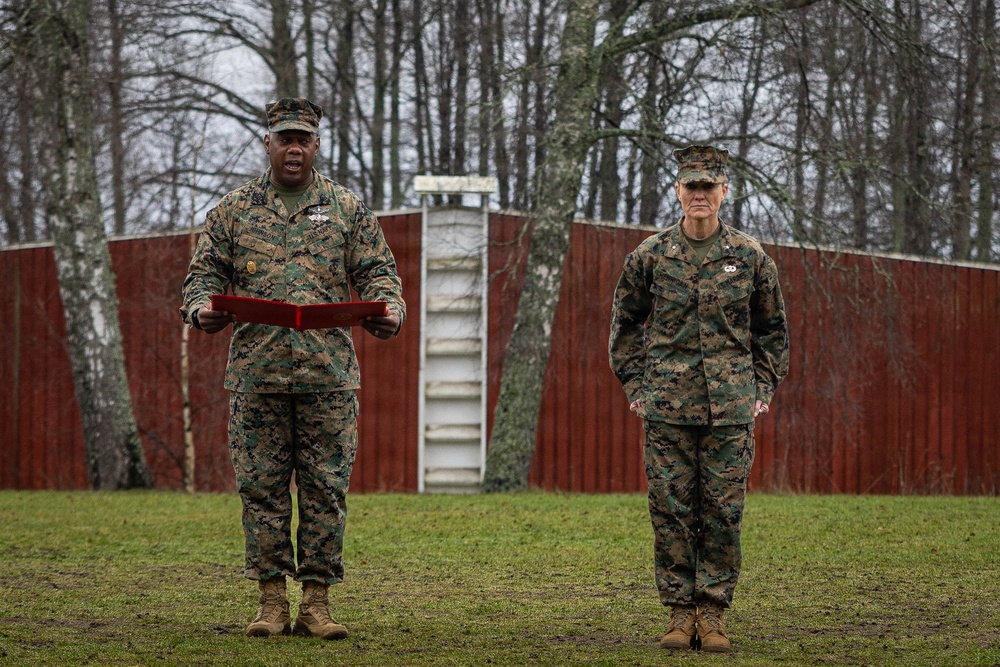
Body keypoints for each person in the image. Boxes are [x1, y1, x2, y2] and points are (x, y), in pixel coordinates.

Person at [180, 97, 405, 640]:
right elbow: (201, 276)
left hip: (327, 378)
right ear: (268, 143)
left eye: (304, 138)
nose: (295, 148)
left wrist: (389, 312)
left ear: (317, 144)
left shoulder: (347, 209)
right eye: (285, 138)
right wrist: (201, 309)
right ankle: (270, 602)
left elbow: (380, 275)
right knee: (262, 490)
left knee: (326, 490)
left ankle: (318, 604)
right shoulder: (233, 211)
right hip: (258, 377)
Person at [608, 145, 788, 653]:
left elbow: (773, 331)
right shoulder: (650, 256)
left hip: (730, 409)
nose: (700, 195)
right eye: (692, 186)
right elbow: (624, 324)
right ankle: (679, 614)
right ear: (678, 191)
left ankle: (713, 615)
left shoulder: (751, 258)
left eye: (709, 186)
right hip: (666, 407)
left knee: (723, 511)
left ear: (724, 192)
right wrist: (637, 387)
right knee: (671, 509)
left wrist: (761, 386)